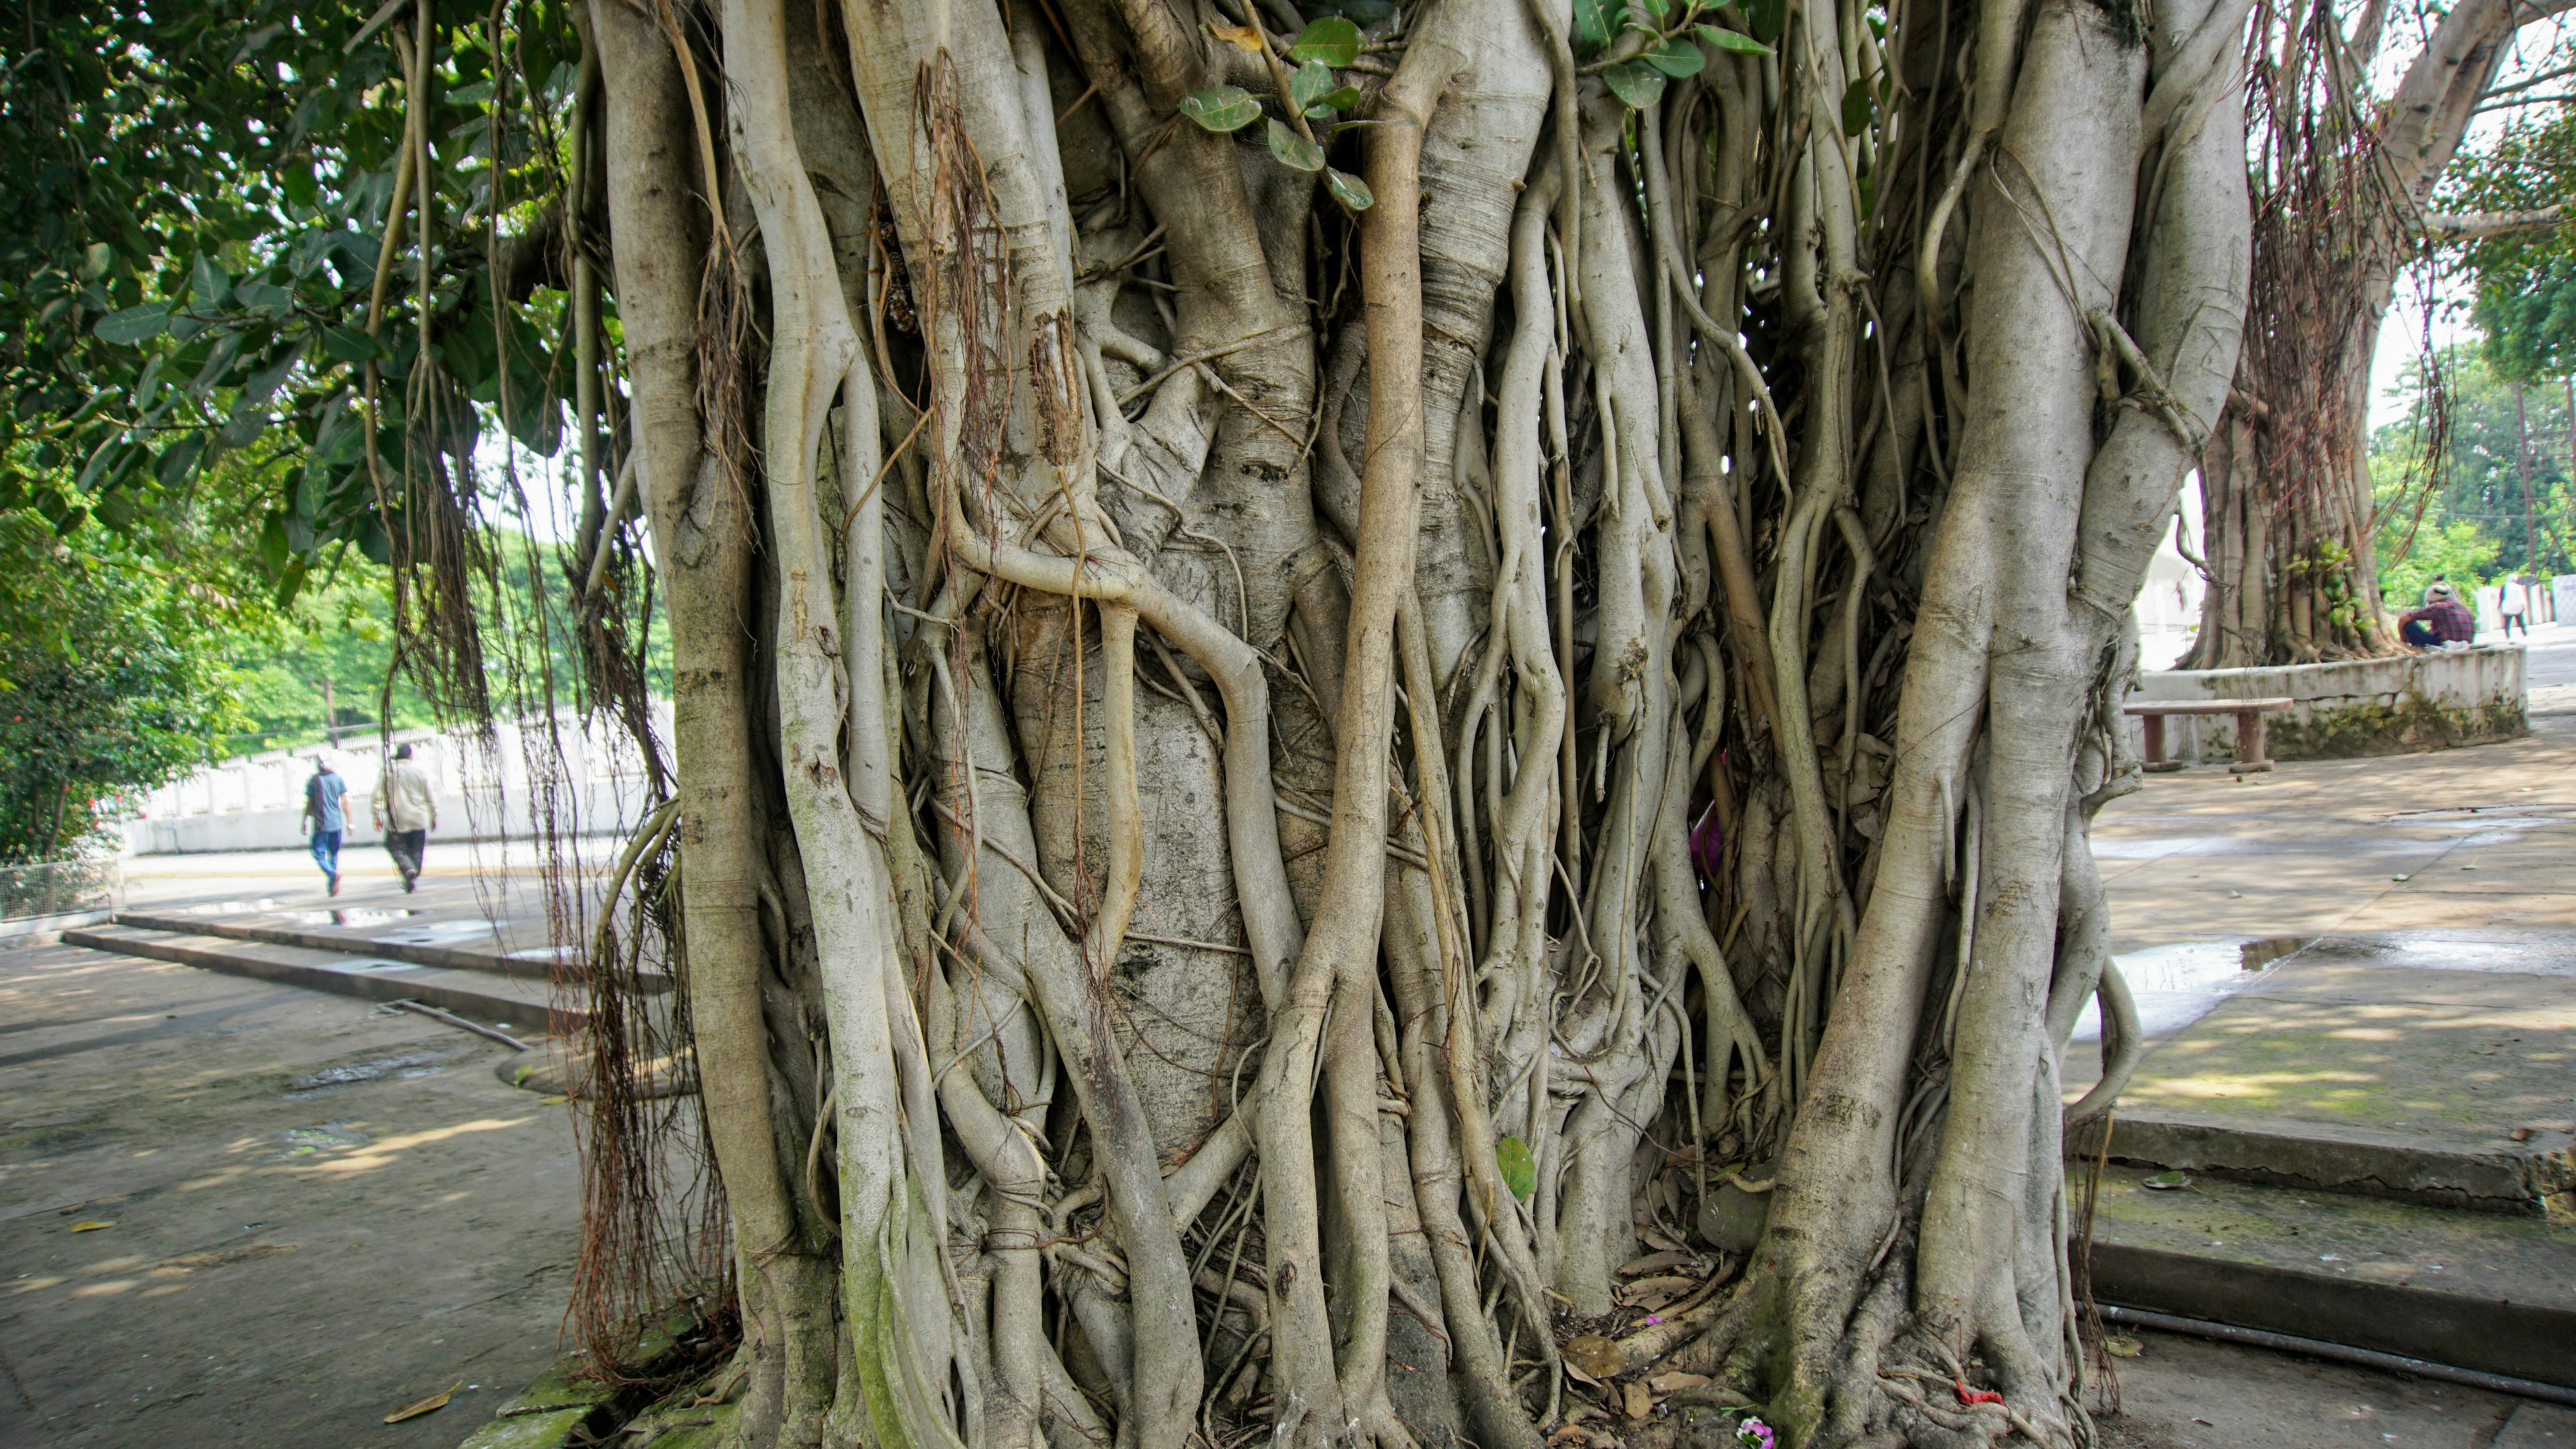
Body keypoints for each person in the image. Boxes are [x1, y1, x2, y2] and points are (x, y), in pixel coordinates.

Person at [373, 743, 438, 893]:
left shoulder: (388, 772)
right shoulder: (419, 772)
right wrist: (434, 815)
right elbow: (430, 797)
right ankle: (412, 876)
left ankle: (408, 870)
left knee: (394, 846)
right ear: (411, 756)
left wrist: (377, 815)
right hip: (418, 818)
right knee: (416, 851)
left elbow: (378, 796)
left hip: (397, 820)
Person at [302, 756, 349, 895]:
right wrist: (350, 823)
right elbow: (345, 802)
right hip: (336, 824)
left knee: (318, 852)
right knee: (333, 853)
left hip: (321, 824)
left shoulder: (314, 781)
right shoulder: (338, 779)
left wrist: (304, 821)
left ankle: (332, 873)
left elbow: (309, 804)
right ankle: (331, 886)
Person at [2397, 580, 2477, 652]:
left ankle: (2412, 647)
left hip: (2445, 647)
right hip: (2466, 645)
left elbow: (2403, 620)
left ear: (2432, 601)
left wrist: (2402, 640)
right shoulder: (2464, 608)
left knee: (2409, 625)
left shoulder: (2438, 606)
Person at [2498, 573, 2532, 639]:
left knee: (2507, 623)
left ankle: (2508, 635)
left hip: (2507, 608)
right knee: (2521, 622)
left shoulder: (2503, 587)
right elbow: (2521, 597)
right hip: (2517, 607)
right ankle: (2525, 633)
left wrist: (2499, 606)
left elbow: (2500, 598)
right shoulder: (2518, 587)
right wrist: (2523, 606)